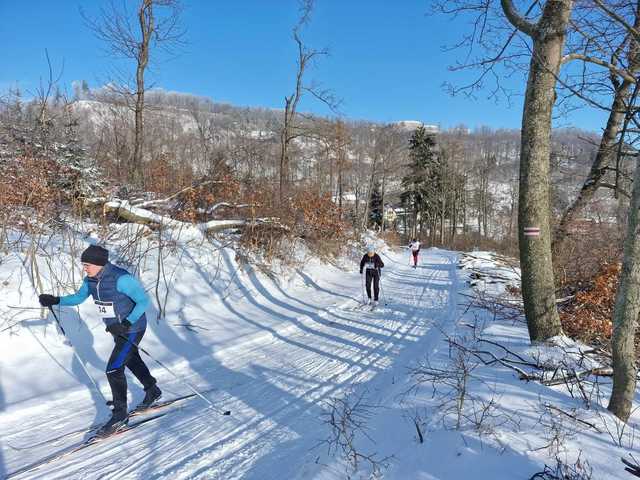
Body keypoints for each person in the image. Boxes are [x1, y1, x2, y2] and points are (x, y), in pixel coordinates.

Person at [39, 245, 161, 435]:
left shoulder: (122, 279)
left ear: (99, 263)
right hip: (116, 329)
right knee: (130, 359)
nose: (85, 268)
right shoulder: (91, 280)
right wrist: (56, 300)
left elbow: (143, 301)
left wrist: (127, 323)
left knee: (113, 369)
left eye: (87, 264)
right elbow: (78, 298)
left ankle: (120, 416)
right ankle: (152, 390)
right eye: (84, 265)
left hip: (132, 328)